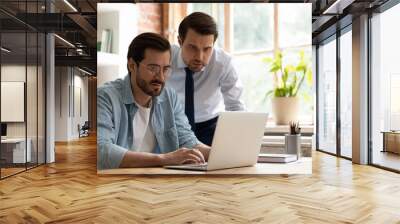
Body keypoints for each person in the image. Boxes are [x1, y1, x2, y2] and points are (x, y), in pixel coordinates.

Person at [97, 32, 211, 170]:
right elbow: (101, 152)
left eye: (166, 69)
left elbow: (188, 141)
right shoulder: (105, 97)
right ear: (132, 65)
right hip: (118, 182)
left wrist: (220, 154)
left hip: (158, 183)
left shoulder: (170, 97)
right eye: (153, 68)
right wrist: (165, 159)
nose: (161, 77)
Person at [166, 12, 245, 146]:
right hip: (173, 126)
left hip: (210, 126)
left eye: (207, 49)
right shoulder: (165, 58)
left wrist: (240, 142)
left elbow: (235, 106)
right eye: (193, 48)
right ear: (180, 41)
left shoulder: (223, 63)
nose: (200, 57)